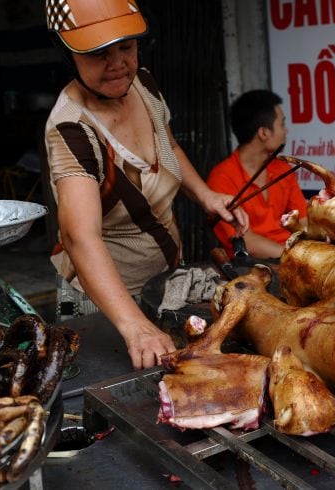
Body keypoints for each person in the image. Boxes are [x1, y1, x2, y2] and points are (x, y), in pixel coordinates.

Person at [44, 0, 248, 370]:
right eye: (99, 53)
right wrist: (134, 325)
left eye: (126, 47)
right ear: (67, 53)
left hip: (165, 278)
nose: (118, 63)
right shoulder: (71, 129)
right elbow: (79, 237)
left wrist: (206, 195)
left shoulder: (142, 83)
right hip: (107, 304)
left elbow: (167, 146)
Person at [207, 90, 308, 259]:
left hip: (291, 257)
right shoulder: (222, 177)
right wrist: (296, 258)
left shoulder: (282, 168)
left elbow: (303, 223)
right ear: (264, 133)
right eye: (282, 125)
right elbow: (247, 241)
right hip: (249, 265)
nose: (286, 131)